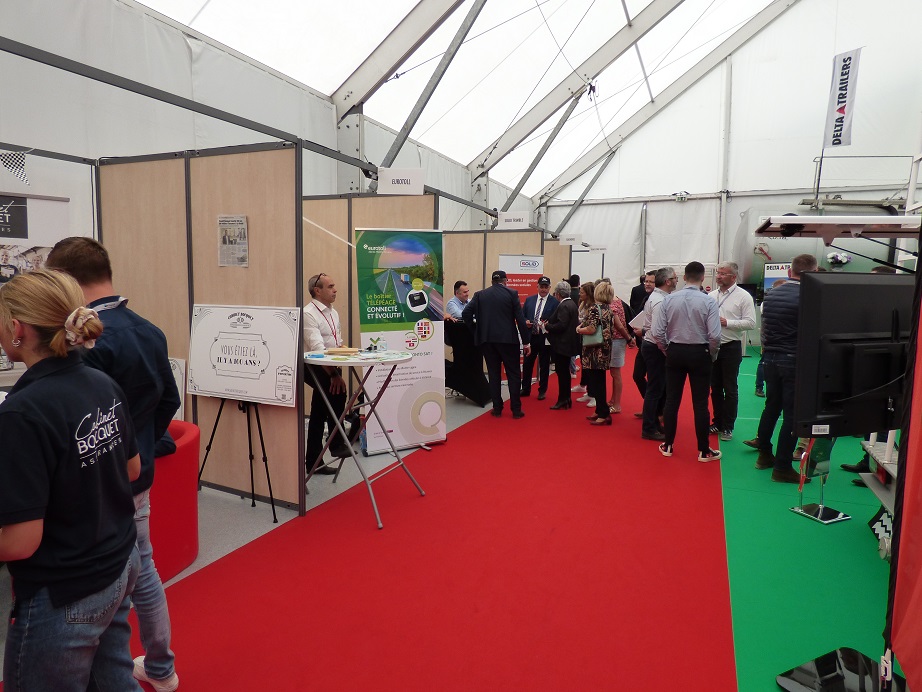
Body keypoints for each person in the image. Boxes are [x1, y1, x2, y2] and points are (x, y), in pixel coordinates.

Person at [46, 236, 182, 691]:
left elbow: (77, 417)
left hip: (95, 484)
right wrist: (141, 444)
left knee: (104, 581)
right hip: (135, 474)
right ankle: (160, 667)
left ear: (63, 279)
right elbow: (168, 400)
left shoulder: (86, 343)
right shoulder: (149, 330)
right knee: (143, 568)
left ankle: (103, 672)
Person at [0, 269, 142, 690]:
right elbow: (132, 469)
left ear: (17, 329)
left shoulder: (22, 412)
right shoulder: (100, 381)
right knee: (114, 680)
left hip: (67, 590)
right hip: (118, 561)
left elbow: (21, 542)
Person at [743, 253, 818, 483]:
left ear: (789, 270)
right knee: (792, 416)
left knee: (772, 407)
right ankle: (783, 466)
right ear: (814, 272)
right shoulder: (810, 296)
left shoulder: (772, 294)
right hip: (793, 360)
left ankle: (765, 454)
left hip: (770, 358)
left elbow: (765, 329)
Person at [652, 261, 722, 461]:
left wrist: (667, 350)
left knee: (672, 400)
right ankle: (704, 450)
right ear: (702, 278)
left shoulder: (669, 299)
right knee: (700, 403)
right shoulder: (709, 301)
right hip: (700, 352)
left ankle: (668, 445)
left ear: (684, 277)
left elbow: (657, 332)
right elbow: (715, 336)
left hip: (675, 350)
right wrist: (711, 354)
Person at [841, 265, 899, 485]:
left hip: (888, 371)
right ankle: (869, 461)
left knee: (883, 420)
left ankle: (883, 470)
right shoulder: (874, 304)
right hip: (869, 367)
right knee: (870, 418)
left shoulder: (896, 305)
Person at [462, 269, 530, 418]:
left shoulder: (480, 295)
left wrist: (476, 331)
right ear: (505, 281)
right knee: (513, 374)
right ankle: (516, 410)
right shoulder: (512, 294)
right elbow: (520, 319)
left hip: (487, 341)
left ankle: (497, 408)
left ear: (492, 281)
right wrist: (526, 342)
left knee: (493, 375)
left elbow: (465, 314)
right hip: (508, 341)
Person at [303, 272, 350, 470]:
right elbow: (318, 350)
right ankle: (337, 444)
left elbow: (336, 342)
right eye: (330, 287)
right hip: (313, 365)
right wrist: (333, 374)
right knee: (338, 394)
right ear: (317, 290)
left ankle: (313, 462)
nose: (335, 290)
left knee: (319, 411)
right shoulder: (308, 314)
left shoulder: (333, 312)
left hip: (331, 364)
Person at [708, 262, 756, 441]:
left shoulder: (744, 297)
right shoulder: (711, 296)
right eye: (718, 273)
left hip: (731, 346)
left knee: (730, 389)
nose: (719, 276)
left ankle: (728, 427)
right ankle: (718, 422)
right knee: (715, 388)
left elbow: (751, 323)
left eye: (723, 273)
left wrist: (727, 322)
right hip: (712, 347)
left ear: (733, 277)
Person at [640, 267, 677, 440]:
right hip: (655, 347)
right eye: (675, 278)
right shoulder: (660, 301)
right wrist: (666, 350)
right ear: (668, 281)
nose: (677, 280)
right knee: (655, 390)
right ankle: (649, 427)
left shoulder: (658, 298)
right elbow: (657, 331)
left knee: (657, 389)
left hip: (653, 345)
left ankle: (653, 423)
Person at [577, 281, 615, 425]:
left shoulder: (594, 308)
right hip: (605, 348)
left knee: (596, 381)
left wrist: (579, 330)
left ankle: (603, 412)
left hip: (594, 349)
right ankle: (600, 410)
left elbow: (591, 329)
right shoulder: (608, 308)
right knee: (600, 380)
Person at [520, 276, 559, 400]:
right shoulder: (529, 300)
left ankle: (542, 390)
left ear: (549, 288)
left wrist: (547, 324)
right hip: (530, 337)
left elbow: (556, 320)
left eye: (546, 287)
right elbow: (522, 316)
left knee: (544, 365)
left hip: (545, 338)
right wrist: (525, 321)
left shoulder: (554, 302)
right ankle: (525, 388)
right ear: (537, 287)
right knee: (527, 364)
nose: (543, 289)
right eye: (541, 286)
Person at [544, 280, 580, 410]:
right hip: (568, 344)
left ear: (558, 294)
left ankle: (563, 399)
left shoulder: (564, 305)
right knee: (564, 373)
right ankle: (566, 398)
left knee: (562, 373)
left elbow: (561, 325)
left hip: (562, 345)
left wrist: (547, 326)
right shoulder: (572, 304)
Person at [605, 280, 634, 413]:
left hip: (617, 340)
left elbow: (619, 326)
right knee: (614, 372)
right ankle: (613, 400)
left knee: (616, 373)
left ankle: (617, 405)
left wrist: (629, 339)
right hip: (618, 340)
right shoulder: (617, 300)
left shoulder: (611, 304)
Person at [631, 271, 656, 403]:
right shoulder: (646, 298)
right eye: (646, 281)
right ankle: (650, 405)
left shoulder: (660, 300)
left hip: (655, 344)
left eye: (651, 282)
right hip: (643, 343)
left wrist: (644, 331)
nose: (647, 284)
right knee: (637, 375)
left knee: (654, 379)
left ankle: (655, 408)